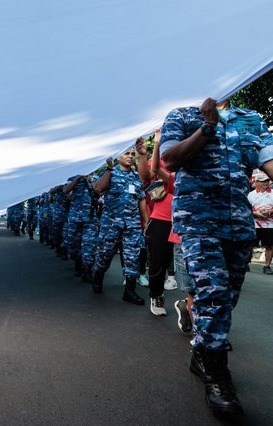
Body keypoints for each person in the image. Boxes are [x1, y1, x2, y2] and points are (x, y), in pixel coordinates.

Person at [161, 97, 273, 415]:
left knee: (228, 299)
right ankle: (217, 374)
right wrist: (207, 128)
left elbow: (268, 162)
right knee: (213, 295)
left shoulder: (250, 119)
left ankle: (201, 352)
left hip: (238, 224)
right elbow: (169, 160)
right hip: (198, 221)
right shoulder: (181, 115)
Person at [92, 152, 148, 304]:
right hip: (111, 224)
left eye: (132, 154)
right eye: (127, 153)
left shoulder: (136, 176)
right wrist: (109, 169)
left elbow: (141, 199)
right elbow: (98, 189)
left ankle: (129, 291)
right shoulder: (110, 172)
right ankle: (98, 278)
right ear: (118, 157)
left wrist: (146, 222)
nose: (130, 156)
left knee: (132, 257)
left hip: (132, 224)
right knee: (105, 253)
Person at [136, 130, 176, 315]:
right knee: (159, 261)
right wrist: (144, 154)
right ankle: (156, 295)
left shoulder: (189, 158)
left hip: (185, 220)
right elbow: (145, 176)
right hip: (160, 220)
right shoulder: (159, 160)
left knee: (177, 262)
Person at [248, 171, 273, 274]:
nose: (265, 183)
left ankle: (267, 266)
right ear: (256, 182)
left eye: (267, 181)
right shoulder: (251, 195)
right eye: (262, 181)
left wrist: (271, 212)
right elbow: (246, 209)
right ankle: (246, 263)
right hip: (254, 224)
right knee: (250, 245)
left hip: (270, 224)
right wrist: (256, 213)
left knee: (270, 245)